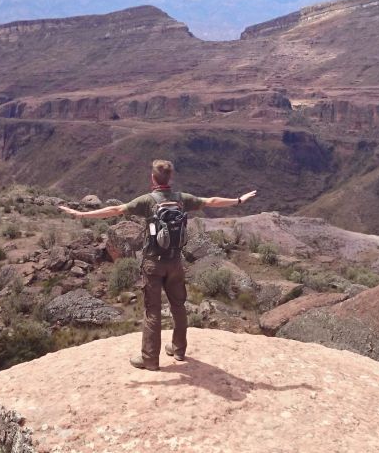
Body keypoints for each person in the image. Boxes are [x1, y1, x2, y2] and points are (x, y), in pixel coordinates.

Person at [59, 159, 257, 370]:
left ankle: (150, 359)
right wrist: (238, 200)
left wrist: (81, 214)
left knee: (152, 311)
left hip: (153, 263)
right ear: (170, 178)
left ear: (152, 178)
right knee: (178, 306)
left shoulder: (147, 201)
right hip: (175, 262)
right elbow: (212, 201)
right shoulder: (182, 199)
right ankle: (178, 350)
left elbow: (116, 209)